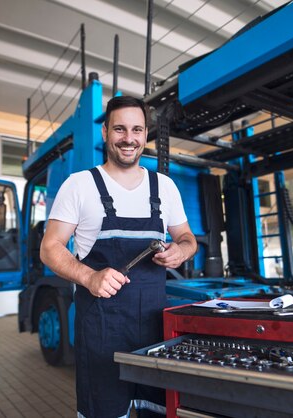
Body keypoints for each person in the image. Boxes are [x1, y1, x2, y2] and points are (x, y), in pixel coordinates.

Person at [40, 95, 197, 418]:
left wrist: (180, 251)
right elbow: (50, 246)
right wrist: (89, 276)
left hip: (155, 330)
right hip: (102, 332)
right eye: (120, 129)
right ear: (105, 133)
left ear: (146, 134)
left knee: (159, 410)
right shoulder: (80, 185)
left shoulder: (164, 187)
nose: (129, 138)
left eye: (137, 129)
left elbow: (187, 238)